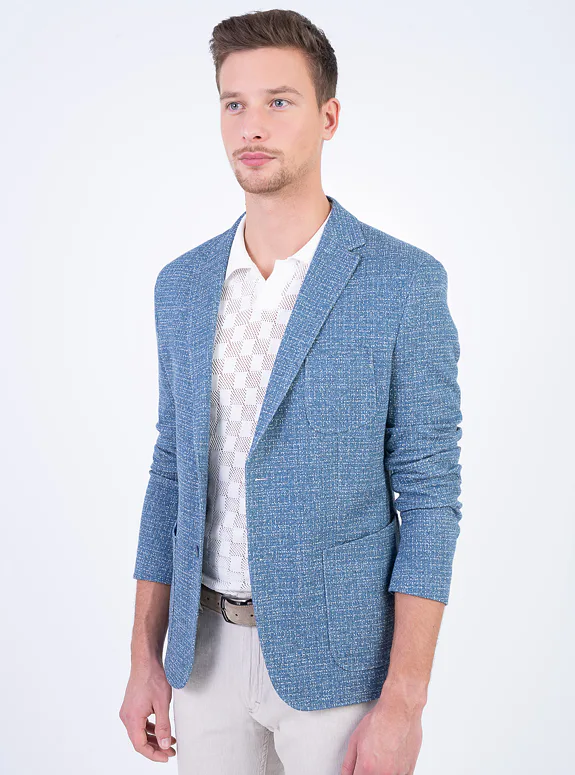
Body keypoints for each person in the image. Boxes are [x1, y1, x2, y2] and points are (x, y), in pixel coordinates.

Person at [119, 9, 463, 775]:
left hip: (340, 670)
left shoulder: (402, 283)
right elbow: (171, 472)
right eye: (233, 103)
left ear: (328, 117)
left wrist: (404, 701)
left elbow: (429, 495)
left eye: (279, 101)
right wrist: (144, 656)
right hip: (202, 661)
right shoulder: (181, 286)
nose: (252, 125)